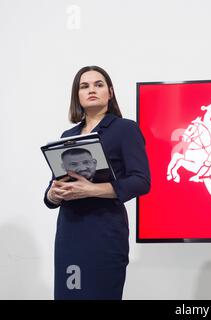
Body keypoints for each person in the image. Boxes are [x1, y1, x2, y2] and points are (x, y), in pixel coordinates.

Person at [44, 66, 150, 300]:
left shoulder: (125, 129)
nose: (92, 90)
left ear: (110, 92)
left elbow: (141, 181)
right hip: (70, 233)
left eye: (99, 84)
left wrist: (93, 189)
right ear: (77, 96)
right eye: (84, 86)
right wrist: (53, 194)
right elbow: (54, 186)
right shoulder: (67, 136)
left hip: (105, 233)